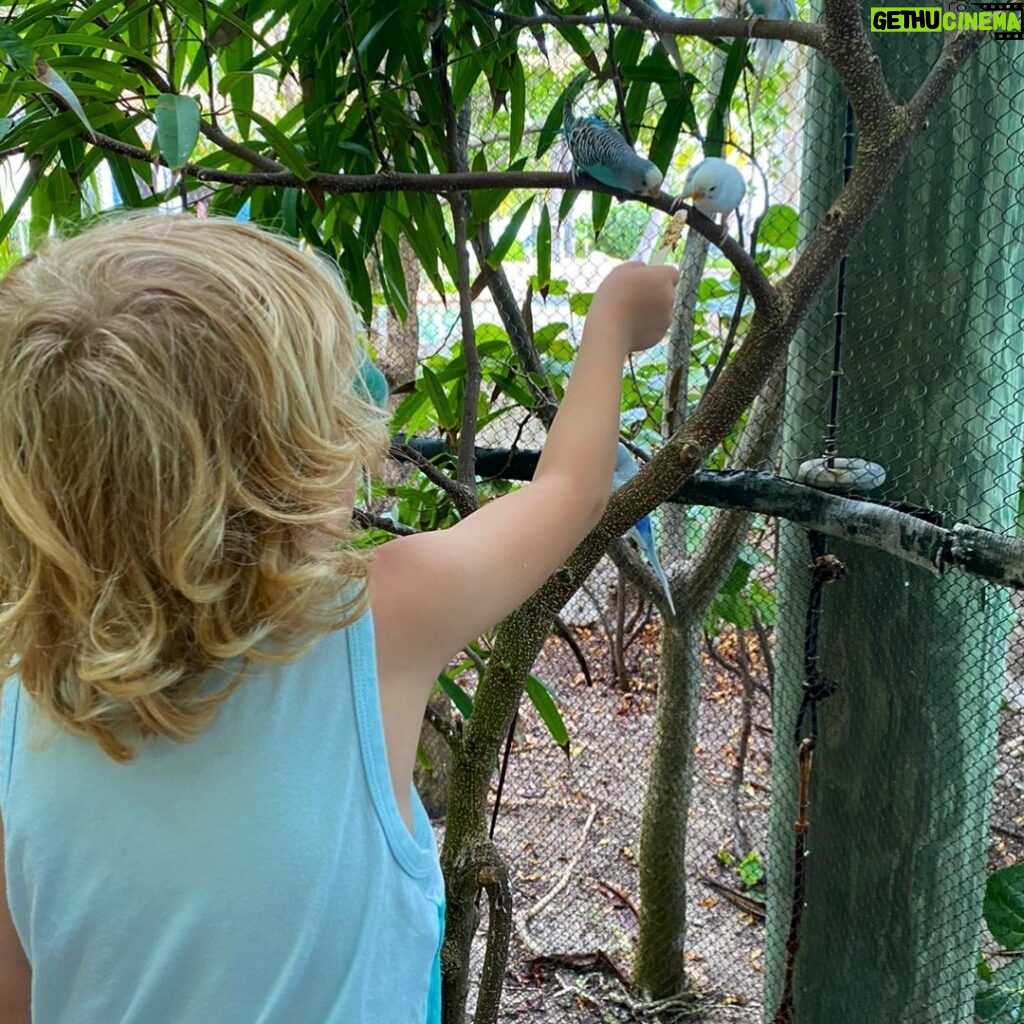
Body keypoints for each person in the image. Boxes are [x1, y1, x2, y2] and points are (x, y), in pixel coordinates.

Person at [0, 212, 677, 1024]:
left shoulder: (17, 692)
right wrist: (611, 320)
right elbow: (570, 491)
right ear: (283, 479)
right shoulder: (375, 621)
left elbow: (21, 995)